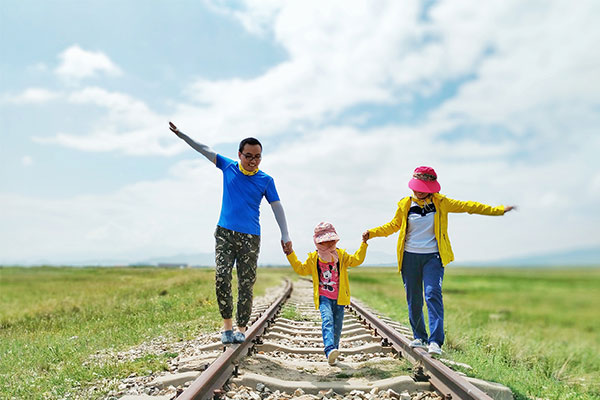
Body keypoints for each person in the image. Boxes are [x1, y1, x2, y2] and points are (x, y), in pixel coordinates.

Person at [362, 166, 515, 356]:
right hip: (409, 257)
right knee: (414, 299)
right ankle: (419, 337)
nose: (418, 190)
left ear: (431, 187)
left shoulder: (442, 202)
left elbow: (470, 206)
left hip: (433, 256)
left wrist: (499, 210)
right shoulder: (405, 204)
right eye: (416, 186)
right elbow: (394, 225)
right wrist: (372, 233)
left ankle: (435, 341)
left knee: (432, 293)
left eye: (422, 187)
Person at [169, 122, 292, 344]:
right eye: (249, 156)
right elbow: (203, 149)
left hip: (250, 237)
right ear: (239, 154)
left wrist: (285, 235)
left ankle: (241, 327)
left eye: (258, 157)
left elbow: (277, 207)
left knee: (246, 282)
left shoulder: (266, 180)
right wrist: (181, 134)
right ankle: (227, 326)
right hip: (225, 233)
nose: (253, 161)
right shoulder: (229, 167)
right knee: (222, 276)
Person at [283, 222, 368, 365]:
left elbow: (357, 260)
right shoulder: (313, 258)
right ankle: (329, 349)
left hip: (340, 298)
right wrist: (290, 254)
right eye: (324, 242)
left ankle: (333, 352)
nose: (328, 245)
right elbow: (301, 269)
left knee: (337, 326)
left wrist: (364, 244)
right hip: (324, 297)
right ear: (318, 242)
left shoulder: (341, 255)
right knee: (327, 321)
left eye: (330, 241)